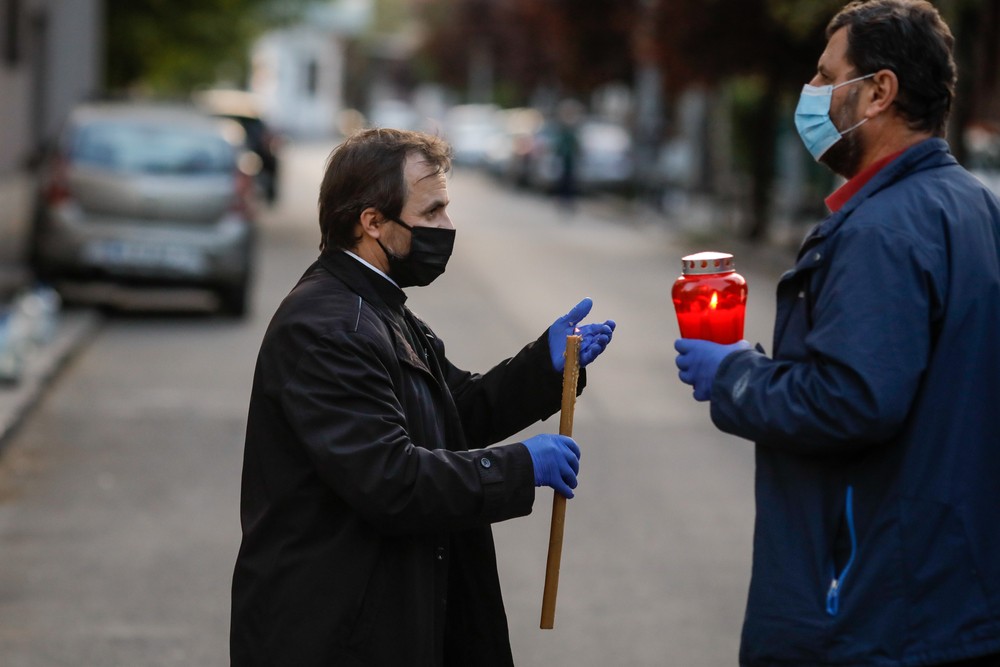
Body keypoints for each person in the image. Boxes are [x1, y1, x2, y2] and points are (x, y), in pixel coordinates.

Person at [674, 1, 1000, 665]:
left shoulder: (880, 231)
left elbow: (850, 400)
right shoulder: (976, 209)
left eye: (827, 77)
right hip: (956, 594)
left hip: (872, 607)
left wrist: (734, 373)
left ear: (879, 91)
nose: (812, 93)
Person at [230, 127, 615, 666]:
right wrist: (520, 466)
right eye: (432, 211)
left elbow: (454, 413)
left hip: (375, 615)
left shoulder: (378, 308)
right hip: (333, 633)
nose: (447, 226)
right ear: (372, 222)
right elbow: (391, 479)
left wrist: (545, 368)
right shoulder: (330, 327)